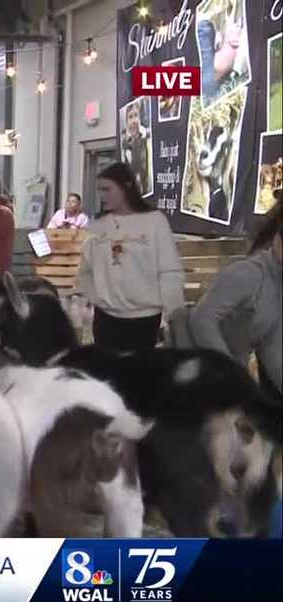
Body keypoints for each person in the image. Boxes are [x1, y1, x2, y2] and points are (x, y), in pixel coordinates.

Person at [74, 162, 184, 354]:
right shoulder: (97, 226)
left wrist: (171, 314)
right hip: (105, 318)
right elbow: (86, 270)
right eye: (100, 190)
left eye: (107, 189)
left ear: (126, 187)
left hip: (144, 319)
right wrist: (92, 299)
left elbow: (169, 271)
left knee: (137, 378)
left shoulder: (155, 221)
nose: (102, 195)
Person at [182, 196, 281, 400]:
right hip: (205, 376)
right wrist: (231, 371)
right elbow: (202, 318)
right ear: (277, 238)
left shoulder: (275, 282)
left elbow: (272, 346)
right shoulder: (248, 273)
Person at [121, 104, 150, 197]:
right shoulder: (124, 142)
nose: (134, 121)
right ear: (126, 121)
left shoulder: (147, 138)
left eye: (136, 115)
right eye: (130, 117)